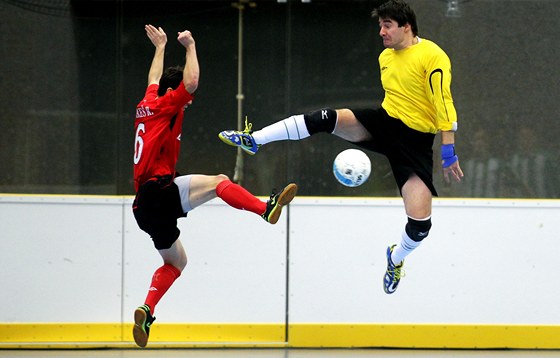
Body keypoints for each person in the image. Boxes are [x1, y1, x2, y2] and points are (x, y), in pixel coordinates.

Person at [218, 0, 463, 295]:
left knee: (420, 227)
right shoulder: (386, 56)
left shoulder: (433, 56)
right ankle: (255, 139)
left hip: (416, 143)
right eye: (380, 26)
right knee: (326, 118)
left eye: (387, 26)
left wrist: (448, 151)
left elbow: (443, 103)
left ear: (406, 27)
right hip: (385, 122)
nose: (381, 33)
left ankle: (395, 258)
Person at [132, 24, 297, 348]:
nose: (188, 102)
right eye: (183, 98)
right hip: (158, 190)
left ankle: (147, 308)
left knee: (176, 262)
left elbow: (154, 78)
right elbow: (191, 82)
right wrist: (190, 44)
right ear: (173, 91)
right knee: (220, 181)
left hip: (142, 206)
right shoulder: (167, 104)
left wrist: (161, 47)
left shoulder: (148, 101)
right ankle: (265, 208)